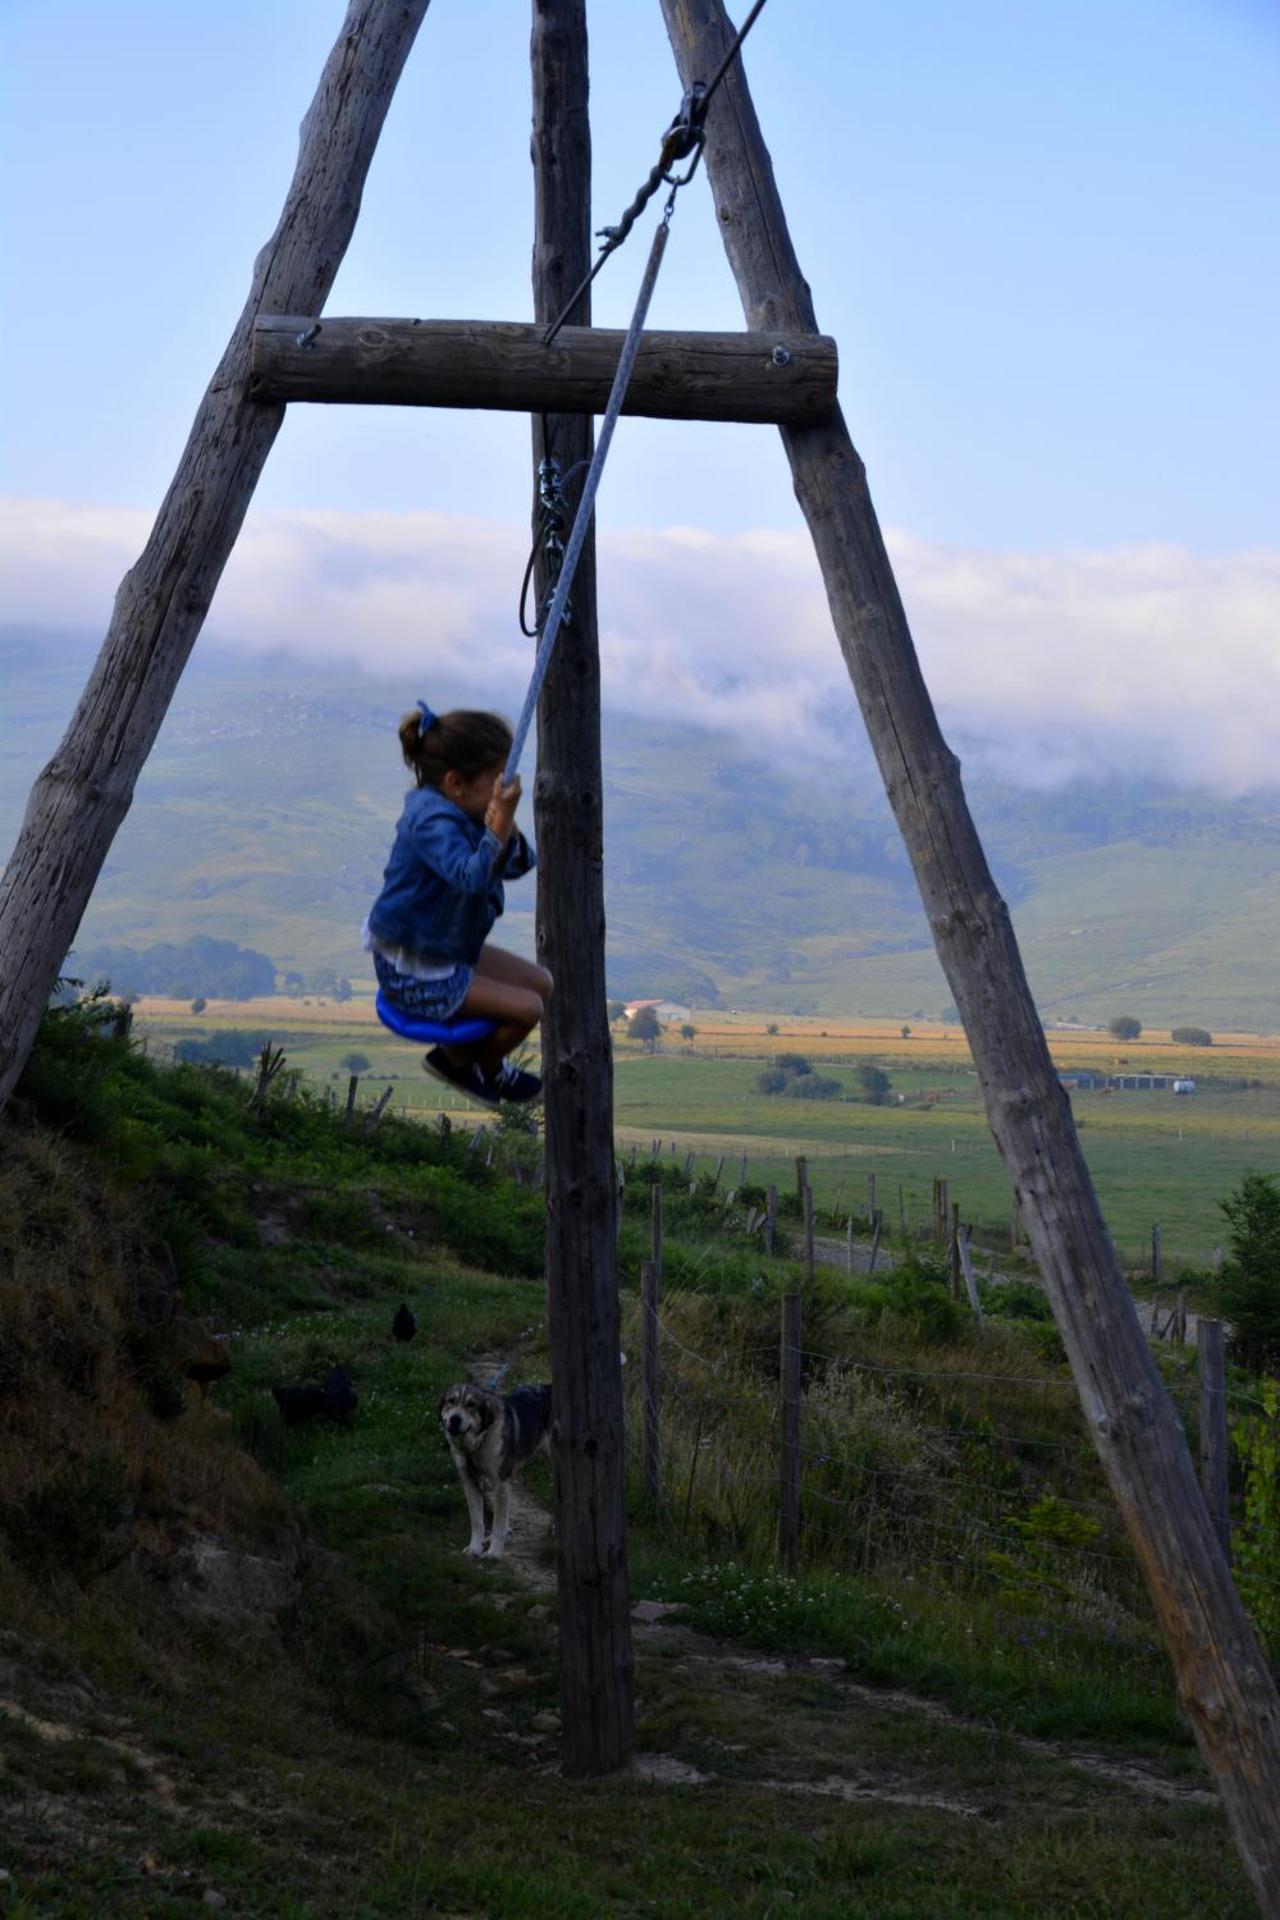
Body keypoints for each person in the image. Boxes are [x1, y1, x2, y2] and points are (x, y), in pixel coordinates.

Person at [364, 701, 550, 1107]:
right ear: (455, 783)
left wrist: (505, 824)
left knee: (543, 984)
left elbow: (517, 865)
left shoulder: (464, 808)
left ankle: (481, 1063)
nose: (503, 789)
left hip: (445, 950)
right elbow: (470, 877)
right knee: (529, 1008)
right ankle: (464, 1061)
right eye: (495, 781)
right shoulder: (430, 822)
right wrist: (498, 824)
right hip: (413, 971)